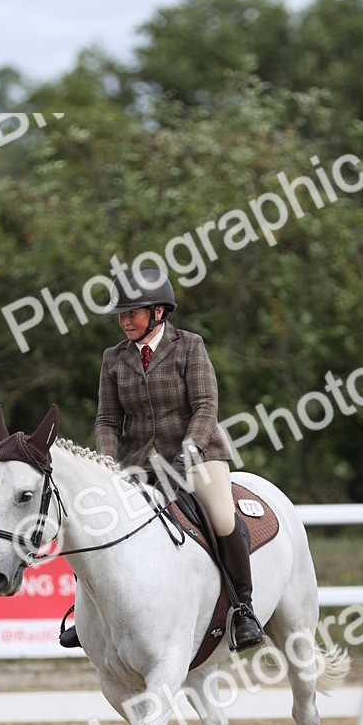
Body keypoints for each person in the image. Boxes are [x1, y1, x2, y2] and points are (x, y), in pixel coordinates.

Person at [59, 265, 264, 652]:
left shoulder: (190, 346)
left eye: (132, 312)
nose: (124, 321)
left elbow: (206, 405)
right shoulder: (113, 359)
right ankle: (86, 614)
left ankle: (243, 609)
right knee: (98, 519)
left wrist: (190, 446)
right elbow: (107, 419)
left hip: (196, 454)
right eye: (121, 314)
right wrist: (106, 462)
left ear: (158, 311)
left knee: (221, 516)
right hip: (139, 461)